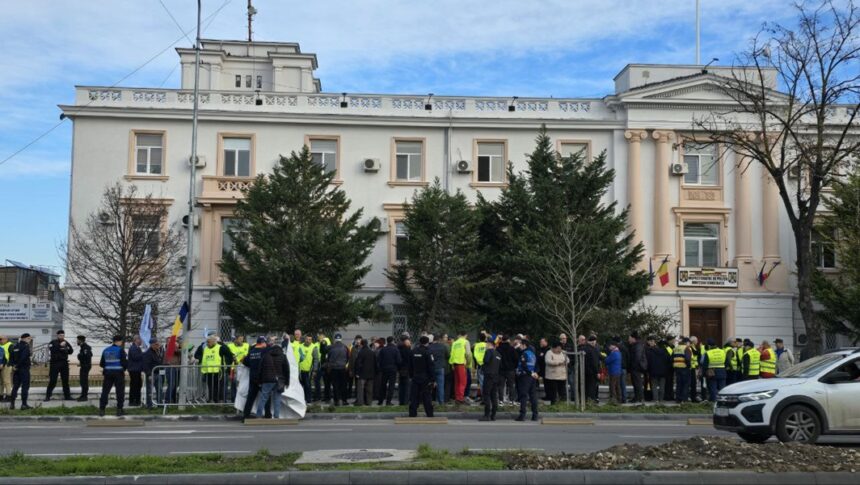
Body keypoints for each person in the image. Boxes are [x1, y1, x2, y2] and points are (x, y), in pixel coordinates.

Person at [194, 334, 233, 402]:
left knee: (219, 386)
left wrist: (227, 365)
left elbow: (229, 355)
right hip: (208, 371)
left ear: (214, 341)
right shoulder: (205, 348)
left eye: (209, 342)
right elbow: (202, 357)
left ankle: (220, 400)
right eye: (207, 342)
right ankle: (212, 399)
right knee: (211, 387)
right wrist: (199, 360)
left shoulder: (221, 347)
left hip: (219, 371)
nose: (207, 343)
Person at [257, 339, 290, 419]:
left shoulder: (266, 355)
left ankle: (258, 415)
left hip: (267, 379)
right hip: (279, 380)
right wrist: (287, 382)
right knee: (277, 399)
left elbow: (260, 368)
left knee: (263, 398)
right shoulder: (283, 355)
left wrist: (259, 381)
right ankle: (276, 416)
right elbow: (286, 370)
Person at [98, 335, 128, 417]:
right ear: (118, 341)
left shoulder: (106, 350)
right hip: (118, 374)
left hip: (108, 373)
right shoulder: (120, 350)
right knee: (120, 392)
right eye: (121, 341)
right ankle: (119, 410)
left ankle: (102, 410)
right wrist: (124, 368)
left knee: (105, 392)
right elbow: (124, 363)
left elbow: (102, 364)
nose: (121, 343)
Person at [242, 337, 268, 421]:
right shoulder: (265, 351)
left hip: (253, 377)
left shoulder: (251, 352)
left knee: (250, 398)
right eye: (265, 343)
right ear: (263, 343)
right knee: (266, 396)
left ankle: (245, 416)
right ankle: (268, 415)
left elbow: (246, 362)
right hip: (262, 377)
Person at [408, 336, 435, 417]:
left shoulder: (413, 351)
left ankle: (412, 413)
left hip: (415, 377)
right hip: (425, 378)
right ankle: (429, 413)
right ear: (427, 343)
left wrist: (411, 375)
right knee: (426, 396)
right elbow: (431, 366)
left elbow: (410, 365)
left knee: (414, 396)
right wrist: (433, 379)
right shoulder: (428, 352)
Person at [44, 330, 74, 402]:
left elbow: (71, 351)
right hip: (55, 363)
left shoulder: (66, 342)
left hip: (64, 363)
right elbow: (52, 349)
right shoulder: (53, 342)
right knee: (53, 380)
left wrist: (66, 348)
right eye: (60, 335)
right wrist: (60, 346)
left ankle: (67, 396)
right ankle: (48, 396)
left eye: (63, 335)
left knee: (65, 381)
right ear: (57, 335)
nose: (62, 337)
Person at [515, 339, 539, 421]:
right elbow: (536, 366)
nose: (520, 346)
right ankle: (535, 415)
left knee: (523, 396)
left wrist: (530, 373)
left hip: (525, 377)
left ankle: (522, 415)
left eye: (521, 344)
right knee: (533, 396)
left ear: (524, 345)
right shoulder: (533, 354)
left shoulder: (524, 354)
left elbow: (524, 365)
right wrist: (534, 373)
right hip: (532, 377)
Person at [9, 333, 33, 410]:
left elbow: (11, 357)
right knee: (25, 387)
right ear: (24, 338)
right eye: (29, 338)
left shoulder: (15, 346)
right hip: (24, 369)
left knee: (15, 387)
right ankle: (24, 404)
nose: (30, 340)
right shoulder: (25, 346)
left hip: (16, 369)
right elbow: (23, 358)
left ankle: (12, 404)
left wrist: (13, 365)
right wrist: (18, 365)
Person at [480, 339, 502, 421]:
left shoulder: (489, 351)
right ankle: (493, 415)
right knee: (494, 396)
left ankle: (486, 415)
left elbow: (485, 361)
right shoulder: (499, 354)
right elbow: (500, 366)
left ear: (489, 344)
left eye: (486, 344)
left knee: (486, 395)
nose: (485, 346)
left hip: (488, 376)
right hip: (496, 377)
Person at [645, 336, 670, 404]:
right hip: (663, 371)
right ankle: (661, 399)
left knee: (654, 386)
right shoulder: (665, 352)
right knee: (662, 386)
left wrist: (648, 370)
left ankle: (655, 399)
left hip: (653, 371)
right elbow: (668, 361)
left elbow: (648, 362)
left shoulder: (650, 351)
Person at [377, 336, 401, 406]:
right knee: (391, 386)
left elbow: (379, 360)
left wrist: (381, 368)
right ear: (393, 341)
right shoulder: (395, 349)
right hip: (393, 370)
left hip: (384, 370)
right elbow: (399, 360)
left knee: (383, 385)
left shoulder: (383, 349)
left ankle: (380, 401)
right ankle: (388, 401)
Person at [449, 331, 471, 404]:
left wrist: (452, 364)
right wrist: (468, 363)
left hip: (454, 364)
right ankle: (460, 398)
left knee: (457, 382)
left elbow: (451, 354)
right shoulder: (466, 342)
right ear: (465, 335)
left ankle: (457, 397)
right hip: (462, 364)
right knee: (462, 382)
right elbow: (468, 354)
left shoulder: (455, 343)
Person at [327, 334, 349, 406]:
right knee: (343, 385)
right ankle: (344, 400)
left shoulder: (331, 347)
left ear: (334, 339)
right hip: (342, 368)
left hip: (334, 368)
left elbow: (329, 358)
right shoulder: (345, 347)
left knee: (335, 385)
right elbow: (348, 357)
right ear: (341, 339)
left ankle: (336, 400)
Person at [226, 335, 249, 401]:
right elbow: (228, 356)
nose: (241, 341)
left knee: (243, 384)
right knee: (234, 384)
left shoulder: (246, 345)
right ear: (235, 339)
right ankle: (234, 399)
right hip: (234, 368)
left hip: (244, 368)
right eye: (240, 339)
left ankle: (242, 400)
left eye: (242, 339)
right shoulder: (230, 346)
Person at [142, 338, 163, 408]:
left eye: (158, 344)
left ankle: (160, 403)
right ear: (152, 345)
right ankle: (149, 405)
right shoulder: (148, 353)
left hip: (158, 373)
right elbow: (145, 365)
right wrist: (149, 374)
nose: (158, 346)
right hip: (151, 374)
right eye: (156, 344)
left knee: (159, 389)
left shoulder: (158, 351)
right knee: (149, 391)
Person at [354, 339, 376, 406]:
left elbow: (358, 363)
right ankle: (369, 402)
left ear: (361, 344)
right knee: (369, 389)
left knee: (360, 389)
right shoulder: (372, 352)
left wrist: (357, 373)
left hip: (362, 374)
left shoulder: (361, 352)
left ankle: (360, 402)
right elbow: (375, 363)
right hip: (371, 373)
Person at [627, 332, 647, 404]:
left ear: (633, 338)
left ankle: (639, 398)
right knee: (636, 383)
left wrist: (633, 366)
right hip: (635, 367)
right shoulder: (635, 345)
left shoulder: (638, 345)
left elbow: (637, 357)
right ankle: (637, 397)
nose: (628, 340)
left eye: (629, 338)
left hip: (637, 368)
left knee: (637, 383)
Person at [497, 335, 518, 404]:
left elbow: (496, 359)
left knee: (501, 386)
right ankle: (511, 400)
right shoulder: (512, 349)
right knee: (511, 385)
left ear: (502, 340)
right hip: (510, 369)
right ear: (508, 340)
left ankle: (501, 400)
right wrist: (514, 367)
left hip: (501, 370)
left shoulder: (498, 348)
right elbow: (516, 359)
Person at [672, 337, 692, 403]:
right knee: (685, 384)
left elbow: (671, 358)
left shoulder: (675, 348)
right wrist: (689, 366)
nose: (690, 344)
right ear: (686, 342)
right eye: (689, 343)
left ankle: (678, 399)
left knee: (679, 384)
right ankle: (684, 399)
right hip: (684, 368)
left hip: (677, 368)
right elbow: (688, 359)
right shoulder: (686, 348)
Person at [298, 335, 317, 403]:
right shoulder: (300, 346)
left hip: (309, 370)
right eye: (307, 339)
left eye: (310, 339)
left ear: (311, 340)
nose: (308, 341)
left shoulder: (314, 347)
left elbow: (316, 360)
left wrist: (315, 370)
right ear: (305, 339)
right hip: (300, 370)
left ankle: (308, 399)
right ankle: (301, 399)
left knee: (308, 385)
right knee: (300, 386)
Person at [127, 335, 144, 407]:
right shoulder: (133, 348)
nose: (141, 341)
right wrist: (144, 354)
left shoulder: (137, 348)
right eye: (140, 340)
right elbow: (135, 357)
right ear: (136, 340)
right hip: (134, 369)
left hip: (137, 369)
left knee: (138, 385)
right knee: (135, 386)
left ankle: (137, 400)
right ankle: (133, 401)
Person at [583, 335, 601, 403]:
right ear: (593, 342)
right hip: (592, 372)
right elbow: (594, 362)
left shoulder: (584, 348)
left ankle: (587, 400)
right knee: (592, 387)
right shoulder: (593, 350)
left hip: (585, 371)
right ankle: (591, 400)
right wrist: (597, 372)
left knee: (587, 387)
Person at [75, 335, 93, 402]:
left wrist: (79, 356)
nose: (77, 341)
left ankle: (84, 396)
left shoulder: (85, 347)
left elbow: (87, 356)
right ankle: (83, 395)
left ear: (80, 340)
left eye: (77, 340)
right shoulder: (83, 347)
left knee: (84, 381)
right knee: (82, 381)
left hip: (85, 366)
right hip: (84, 365)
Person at [473, 333, 488, 402]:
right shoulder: (487, 345)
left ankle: (483, 396)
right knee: (487, 381)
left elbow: (475, 355)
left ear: (479, 339)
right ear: (485, 339)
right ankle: (486, 396)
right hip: (487, 365)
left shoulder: (476, 345)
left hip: (479, 365)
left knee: (481, 382)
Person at [688, 336, 701, 402]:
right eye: (696, 340)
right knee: (692, 383)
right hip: (691, 367)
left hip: (693, 367)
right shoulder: (690, 347)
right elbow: (695, 354)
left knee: (693, 383)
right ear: (693, 341)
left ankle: (693, 397)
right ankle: (691, 397)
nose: (697, 342)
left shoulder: (693, 347)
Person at [0, 335, 12, 402]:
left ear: (6, 339)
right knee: (1, 382)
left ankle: (8, 396)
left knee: (6, 381)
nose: (0, 340)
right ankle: (1, 396)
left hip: (7, 365)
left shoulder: (10, 345)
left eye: (1, 339)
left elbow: (12, 356)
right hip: (1, 365)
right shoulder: (1, 346)